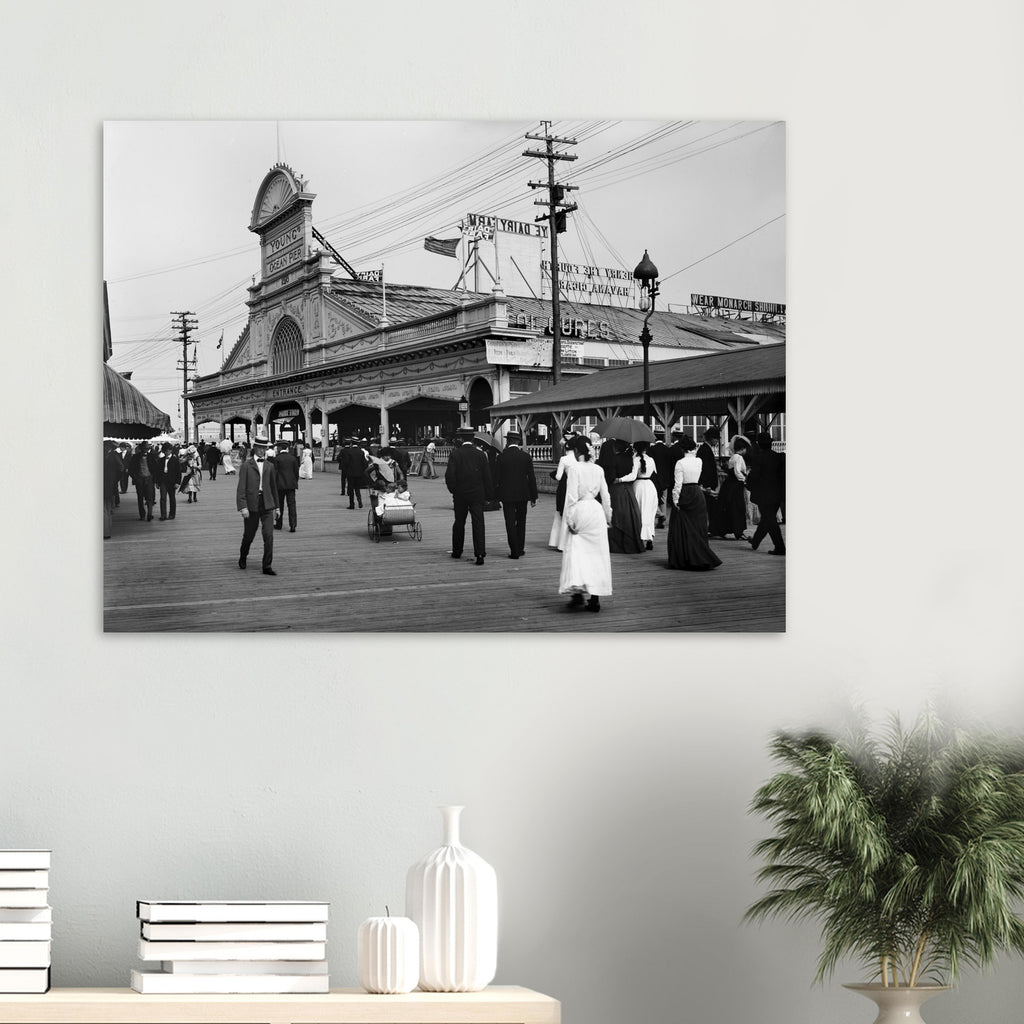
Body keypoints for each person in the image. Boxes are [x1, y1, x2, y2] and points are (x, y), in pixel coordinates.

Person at [558, 435, 612, 613]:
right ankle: (595, 598)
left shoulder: (575, 469)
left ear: (576, 451)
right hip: (596, 512)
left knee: (577, 553)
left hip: (580, 510)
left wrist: (569, 519)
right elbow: (605, 495)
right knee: (597, 554)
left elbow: (571, 497)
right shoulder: (598, 469)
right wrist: (608, 516)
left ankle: (578, 592)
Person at [667, 435, 722, 571]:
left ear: (682, 449)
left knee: (681, 526)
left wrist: (675, 500)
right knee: (698, 526)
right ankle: (701, 555)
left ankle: (685, 557)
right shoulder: (699, 461)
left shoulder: (680, 463)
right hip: (697, 493)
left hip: (685, 493)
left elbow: (678, 484)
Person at [445, 427, 494, 565]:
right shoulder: (481, 454)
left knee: (459, 522)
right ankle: (480, 554)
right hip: (477, 494)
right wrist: (489, 495)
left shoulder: (456, 454)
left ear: (461, 438)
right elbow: (487, 476)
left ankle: (457, 551)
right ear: (473, 439)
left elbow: (450, 476)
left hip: (460, 494)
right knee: (478, 523)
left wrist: (454, 490)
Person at [236, 435, 279, 575]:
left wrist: (277, 507)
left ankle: (267, 566)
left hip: (267, 504)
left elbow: (273, 488)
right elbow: (241, 488)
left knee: (269, 535)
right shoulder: (246, 466)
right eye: (259, 448)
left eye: (264, 448)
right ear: (254, 448)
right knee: (249, 535)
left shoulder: (270, 466)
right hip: (251, 504)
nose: (262, 451)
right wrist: (243, 507)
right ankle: (243, 556)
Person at [494, 431, 537, 559]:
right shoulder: (526, 457)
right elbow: (531, 478)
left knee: (510, 522)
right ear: (518, 442)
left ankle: (514, 550)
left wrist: (495, 496)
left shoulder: (501, 457)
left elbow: (496, 478)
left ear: (508, 441)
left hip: (507, 495)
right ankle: (520, 548)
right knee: (521, 521)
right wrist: (534, 496)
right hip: (523, 494)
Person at [600, 438, 644, 554]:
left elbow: (611, 477)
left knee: (616, 516)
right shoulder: (630, 459)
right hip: (628, 489)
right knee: (629, 516)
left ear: (616, 447)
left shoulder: (614, 459)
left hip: (617, 489)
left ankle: (616, 545)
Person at [746, 431, 786, 556]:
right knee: (767, 518)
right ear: (771, 443)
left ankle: (780, 547)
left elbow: (754, 476)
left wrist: (749, 485)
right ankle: (755, 541)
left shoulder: (758, 458)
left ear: (759, 444)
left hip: (763, 494)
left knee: (770, 520)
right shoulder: (779, 457)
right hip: (777, 494)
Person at [709, 434, 750, 541]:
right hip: (736, 485)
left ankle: (721, 529)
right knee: (738, 508)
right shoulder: (739, 457)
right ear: (743, 448)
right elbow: (737, 471)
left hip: (729, 485)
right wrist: (744, 480)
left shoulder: (733, 457)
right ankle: (739, 531)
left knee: (727, 507)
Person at [620, 440, 659, 550]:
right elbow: (655, 473)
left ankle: (640, 537)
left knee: (639, 512)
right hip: (650, 487)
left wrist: (620, 479)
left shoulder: (635, 459)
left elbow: (633, 476)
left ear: (635, 448)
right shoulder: (651, 459)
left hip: (639, 486)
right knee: (649, 513)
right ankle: (650, 538)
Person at [547, 431, 577, 552]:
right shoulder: (578, 459)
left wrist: (556, 473)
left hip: (565, 487)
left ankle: (559, 542)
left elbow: (558, 477)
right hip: (576, 488)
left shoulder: (564, 459)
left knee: (562, 512)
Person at [695, 425, 721, 535]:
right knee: (709, 507)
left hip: (707, 483)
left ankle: (711, 528)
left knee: (710, 507)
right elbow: (706, 469)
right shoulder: (705, 450)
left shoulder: (705, 449)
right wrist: (707, 485)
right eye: (716, 438)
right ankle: (709, 529)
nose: (717, 441)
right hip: (707, 484)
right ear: (711, 438)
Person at [274, 441, 301, 532]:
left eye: (277, 447)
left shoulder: (277, 459)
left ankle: (279, 524)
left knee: (279, 505)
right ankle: (293, 525)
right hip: (291, 485)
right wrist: (294, 482)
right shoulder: (293, 458)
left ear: (280, 448)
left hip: (280, 486)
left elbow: (275, 473)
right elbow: (296, 473)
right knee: (292, 505)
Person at [649, 430, 673, 529]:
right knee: (664, 499)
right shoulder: (668, 450)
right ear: (663, 438)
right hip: (665, 478)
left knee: (654, 498)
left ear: (655, 437)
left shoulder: (651, 450)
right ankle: (662, 520)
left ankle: (658, 514)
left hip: (655, 478)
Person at [128, 440, 156, 521]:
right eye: (144, 448)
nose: (146, 450)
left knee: (150, 497)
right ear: (141, 448)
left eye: (147, 449)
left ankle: (150, 514)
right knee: (140, 498)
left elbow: (155, 468)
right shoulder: (135, 457)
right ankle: (142, 514)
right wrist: (135, 478)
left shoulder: (151, 456)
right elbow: (131, 469)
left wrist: (153, 477)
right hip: (139, 479)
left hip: (149, 479)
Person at [154, 442, 181, 520]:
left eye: (167, 450)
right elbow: (157, 472)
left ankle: (172, 514)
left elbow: (178, 472)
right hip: (163, 480)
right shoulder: (161, 460)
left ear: (171, 450)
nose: (166, 452)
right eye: (164, 451)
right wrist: (157, 482)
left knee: (172, 498)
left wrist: (177, 482)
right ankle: (163, 515)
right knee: (163, 498)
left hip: (172, 481)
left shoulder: (175, 460)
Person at [103, 440, 122, 539]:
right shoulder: (113, 455)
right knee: (107, 509)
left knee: (105, 509)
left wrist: (115, 479)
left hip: (106, 484)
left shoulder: (110, 456)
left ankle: (106, 532)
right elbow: (121, 468)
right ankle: (107, 531)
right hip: (110, 484)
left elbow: (121, 468)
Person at [344, 438, 367, 510]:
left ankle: (352, 504)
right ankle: (360, 502)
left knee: (351, 489)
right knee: (357, 488)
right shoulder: (361, 452)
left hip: (350, 473)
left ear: (351, 443)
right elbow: (364, 463)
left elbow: (346, 462)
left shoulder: (349, 451)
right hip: (359, 474)